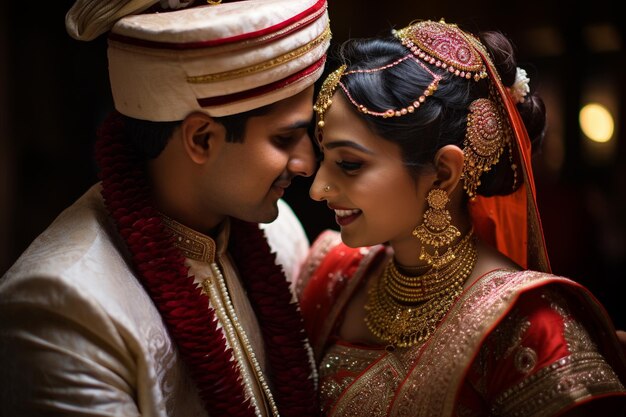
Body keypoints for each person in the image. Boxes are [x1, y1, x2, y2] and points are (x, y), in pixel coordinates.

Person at [0, 0, 331, 416]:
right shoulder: (65, 309)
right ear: (202, 140)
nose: (306, 164)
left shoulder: (278, 232)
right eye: (285, 139)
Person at [294, 19, 626, 416]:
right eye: (323, 157)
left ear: (444, 172)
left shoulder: (526, 325)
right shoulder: (332, 277)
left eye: (348, 164)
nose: (317, 188)